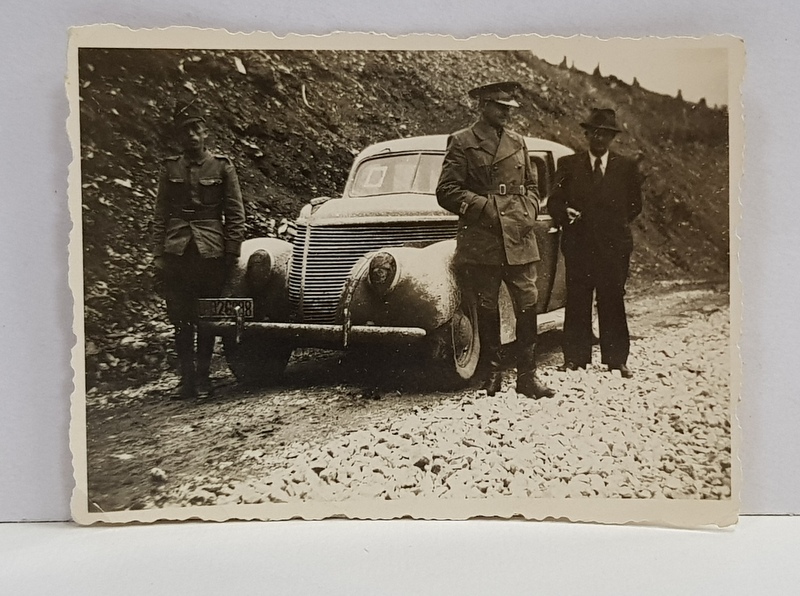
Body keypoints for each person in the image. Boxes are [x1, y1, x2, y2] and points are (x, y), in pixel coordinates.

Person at [437, 81, 554, 399]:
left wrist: (528, 211)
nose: (506, 113)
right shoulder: (462, 141)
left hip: (518, 235)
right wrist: (485, 207)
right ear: (483, 106)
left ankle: (528, 377)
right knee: (488, 307)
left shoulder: (518, 141)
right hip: (483, 237)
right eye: (500, 107)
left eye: (510, 108)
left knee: (527, 305)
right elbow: (446, 191)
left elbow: (531, 185)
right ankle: (492, 374)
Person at [152, 97, 246, 399]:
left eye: (197, 129)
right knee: (181, 319)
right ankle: (187, 381)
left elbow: (235, 213)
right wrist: (158, 255)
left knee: (206, 318)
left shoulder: (222, 167)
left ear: (206, 134)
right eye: (186, 131)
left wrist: (232, 252)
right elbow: (160, 215)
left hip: (210, 253)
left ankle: (205, 379)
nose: (191, 135)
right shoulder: (170, 169)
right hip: (177, 252)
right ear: (179, 137)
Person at [549, 108, 643, 378]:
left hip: (614, 248)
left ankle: (616, 360)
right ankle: (575, 359)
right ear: (587, 133)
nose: (599, 138)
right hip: (579, 245)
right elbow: (554, 201)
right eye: (595, 132)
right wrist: (564, 212)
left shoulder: (625, 167)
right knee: (578, 300)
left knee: (612, 299)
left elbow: (635, 205)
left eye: (606, 134)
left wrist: (611, 225)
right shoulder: (568, 164)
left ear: (612, 137)